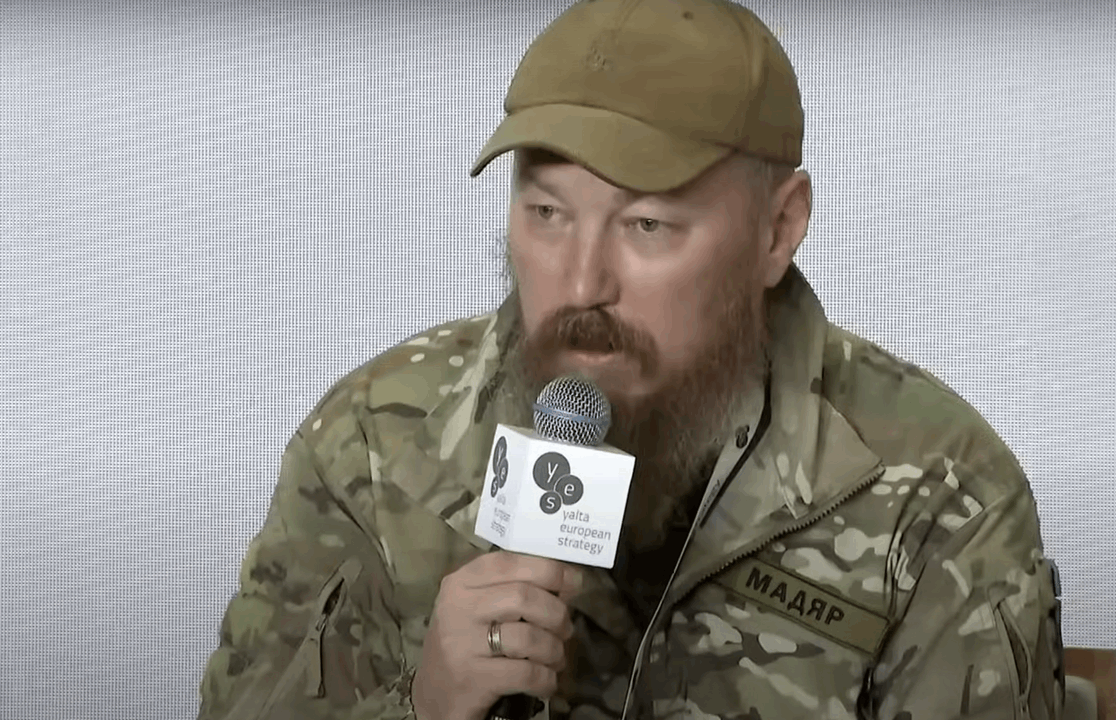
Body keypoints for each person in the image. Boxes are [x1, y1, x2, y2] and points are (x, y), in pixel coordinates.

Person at [195, 0, 1066, 718]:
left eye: (647, 225)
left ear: (778, 230)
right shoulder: (370, 445)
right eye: (547, 214)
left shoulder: (940, 497)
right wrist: (424, 709)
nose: (582, 284)